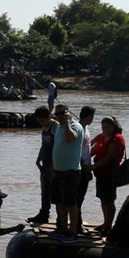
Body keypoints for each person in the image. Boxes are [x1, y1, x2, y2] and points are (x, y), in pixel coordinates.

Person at [51, 104, 85, 242]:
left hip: (70, 171)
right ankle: (63, 229)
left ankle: (73, 233)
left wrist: (67, 123)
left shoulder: (75, 126)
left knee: (71, 204)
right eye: (56, 114)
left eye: (61, 114)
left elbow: (71, 138)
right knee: (60, 202)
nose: (58, 116)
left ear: (68, 113)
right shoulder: (58, 127)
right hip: (58, 170)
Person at [90, 116, 126, 236]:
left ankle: (109, 226)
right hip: (100, 173)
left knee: (109, 200)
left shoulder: (117, 138)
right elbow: (92, 150)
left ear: (114, 127)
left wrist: (93, 167)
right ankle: (105, 223)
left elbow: (109, 157)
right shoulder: (102, 136)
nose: (105, 129)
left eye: (108, 127)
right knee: (102, 198)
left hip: (110, 173)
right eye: (103, 127)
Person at [29, 106, 57, 225]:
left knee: (55, 192)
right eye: (38, 121)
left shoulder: (55, 127)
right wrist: (38, 160)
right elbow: (43, 145)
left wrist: (54, 164)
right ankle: (43, 214)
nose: (40, 123)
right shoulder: (44, 128)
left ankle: (60, 218)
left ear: (49, 117)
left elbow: (59, 147)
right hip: (45, 164)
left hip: (54, 166)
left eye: (42, 121)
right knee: (44, 191)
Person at [77, 105, 97, 232]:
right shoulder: (79, 129)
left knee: (80, 197)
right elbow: (77, 150)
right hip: (81, 168)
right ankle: (77, 224)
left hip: (86, 167)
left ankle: (77, 222)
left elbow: (87, 147)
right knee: (78, 197)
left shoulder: (86, 128)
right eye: (92, 117)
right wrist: (85, 168)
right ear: (89, 117)